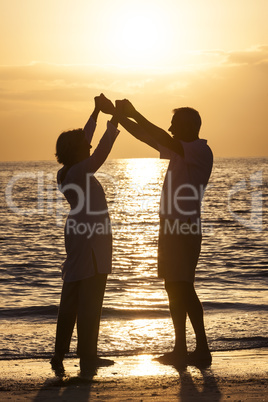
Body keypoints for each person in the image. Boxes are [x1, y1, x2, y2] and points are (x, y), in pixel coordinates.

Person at [113, 100, 213, 368]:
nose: (170, 128)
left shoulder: (199, 150)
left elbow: (157, 134)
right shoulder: (180, 152)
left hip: (184, 227)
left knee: (184, 286)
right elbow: (147, 137)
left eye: (175, 125)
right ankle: (181, 348)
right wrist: (119, 116)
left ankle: (201, 348)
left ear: (190, 126)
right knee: (173, 286)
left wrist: (133, 112)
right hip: (171, 227)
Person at [51, 94, 119, 376]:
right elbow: (99, 151)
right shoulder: (80, 170)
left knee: (72, 295)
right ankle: (88, 355)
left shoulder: (67, 172)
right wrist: (114, 121)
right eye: (84, 145)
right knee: (90, 297)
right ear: (77, 151)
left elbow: (86, 140)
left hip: (80, 234)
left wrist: (95, 111)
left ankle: (60, 353)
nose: (88, 144)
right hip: (90, 236)